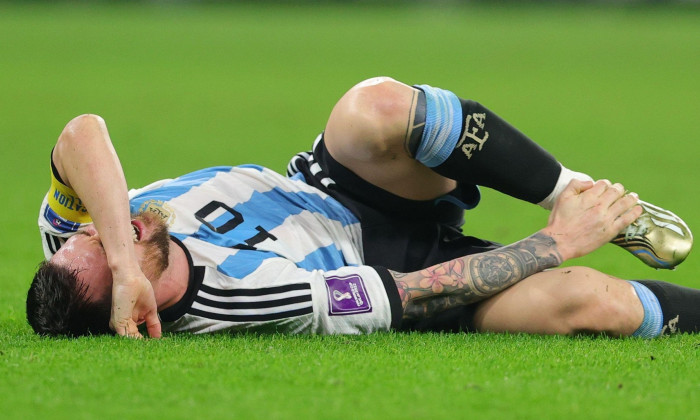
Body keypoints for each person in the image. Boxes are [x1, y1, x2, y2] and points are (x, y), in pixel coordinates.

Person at [27, 77, 698, 339]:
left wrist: (114, 249)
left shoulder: (91, 233)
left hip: (335, 185)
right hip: (390, 264)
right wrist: (558, 246)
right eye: (111, 258)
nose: (112, 228)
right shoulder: (241, 302)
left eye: (92, 236)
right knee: (590, 302)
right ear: (134, 308)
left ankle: (574, 188)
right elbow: (412, 292)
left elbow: (81, 131)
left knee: (372, 108)